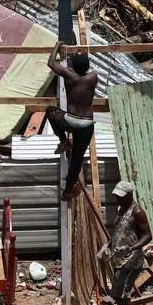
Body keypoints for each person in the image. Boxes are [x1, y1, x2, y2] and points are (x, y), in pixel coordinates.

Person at [46, 43, 98, 202]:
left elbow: (51, 63)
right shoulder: (93, 77)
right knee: (76, 160)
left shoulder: (69, 75)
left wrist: (56, 46)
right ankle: (67, 191)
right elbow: (86, 72)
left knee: (50, 112)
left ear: (73, 66)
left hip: (70, 121)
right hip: (87, 125)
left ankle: (63, 141)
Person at [99, 181, 152, 305]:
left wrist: (130, 248)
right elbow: (119, 232)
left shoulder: (137, 212)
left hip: (131, 260)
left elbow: (148, 236)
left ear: (129, 195)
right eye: (117, 196)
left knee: (120, 294)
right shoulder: (120, 210)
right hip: (119, 259)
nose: (117, 199)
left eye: (121, 196)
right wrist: (107, 245)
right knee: (117, 295)